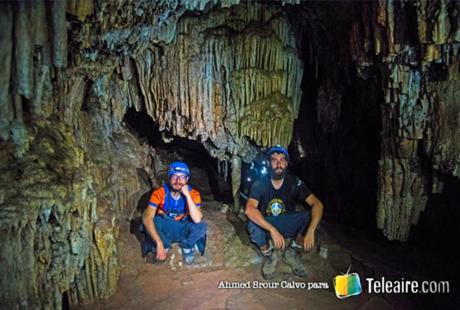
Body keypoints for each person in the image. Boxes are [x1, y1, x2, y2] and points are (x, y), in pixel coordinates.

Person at [245, 145, 324, 279]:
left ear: (286, 163)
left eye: (282, 160)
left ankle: (292, 251)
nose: (278, 164)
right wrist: (272, 230)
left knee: (312, 216)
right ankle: (269, 256)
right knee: (252, 224)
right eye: (274, 160)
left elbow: (317, 204)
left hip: (287, 222)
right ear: (269, 163)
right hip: (267, 224)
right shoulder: (260, 183)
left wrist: (311, 230)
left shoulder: (294, 182)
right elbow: (249, 209)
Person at [142, 161, 208, 265]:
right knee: (154, 221)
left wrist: (187, 195)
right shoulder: (159, 193)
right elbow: (147, 218)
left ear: (187, 179)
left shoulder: (194, 194)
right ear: (169, 177)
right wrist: (158, 242)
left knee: (201, 226)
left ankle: (187, 246)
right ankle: (164, 244)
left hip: (183, 226)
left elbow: (197, 219)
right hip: (166, 226)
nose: (178, 181)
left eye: (182, 177)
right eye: (174, 176)